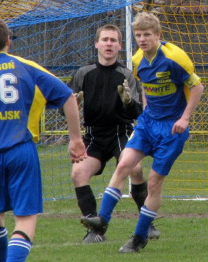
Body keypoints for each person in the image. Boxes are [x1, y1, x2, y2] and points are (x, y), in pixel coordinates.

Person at [0, 17, 87, 262]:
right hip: (20, 149)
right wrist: (75, 139)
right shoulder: (26, 66)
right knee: (26, 217)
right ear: (9, 41)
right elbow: (68, 97)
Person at [81, 12, 204, 253]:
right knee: (124, 165)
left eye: (147, 34)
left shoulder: (175, 58)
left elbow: (197, 87)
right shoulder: (137, 59)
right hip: (148, 124)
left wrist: (185, 118)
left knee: (155, 182)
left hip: (171, 129)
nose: (142, 39)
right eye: (138, 35)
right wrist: (146, 111)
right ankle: (102, 220)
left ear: (158, 35)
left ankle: (139, 236)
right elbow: (146, 88)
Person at [64, 24, 159, 243]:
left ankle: (148, 224)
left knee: (135, 169)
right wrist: (74, 104)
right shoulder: (83, 73)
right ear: (96, 43)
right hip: (93, 137)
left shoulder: (126, 74)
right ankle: (93, 228)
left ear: (119, 46)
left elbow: (138, 111)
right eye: (104, 40)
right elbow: (64, 107)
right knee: (78, 173)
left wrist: (127, 103)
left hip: (121, 133)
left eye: (113, 40)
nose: (109, 44)